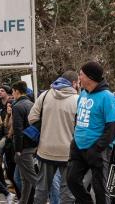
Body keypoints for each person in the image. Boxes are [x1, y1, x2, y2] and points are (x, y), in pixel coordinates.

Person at [67, 61, 115, 204]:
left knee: (100, 189)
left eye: (81, 75)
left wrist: (97, 148)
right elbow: (78, 118)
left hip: (98, 149)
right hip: (78, 147)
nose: (79, 78)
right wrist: (74, 139)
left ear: (90, 77)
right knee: (71, 180)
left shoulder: (107, 97)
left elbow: (114, 126)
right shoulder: (83, 93)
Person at [28, 71, 79, 204]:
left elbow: (31, 118)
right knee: (67, 191)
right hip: (68, 152)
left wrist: (46, 125)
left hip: (45, 149)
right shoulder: (78, 99)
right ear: (73, 83)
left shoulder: (45, 95)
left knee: (42, 189)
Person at [11, 80, 37, 204]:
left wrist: (17, 150)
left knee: (32, 177)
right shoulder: (32, 104)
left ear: (17, 91)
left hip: (24, 147)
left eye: (13, 92)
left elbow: (17, 129)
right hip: (32, 143)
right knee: (25, 179)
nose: (12, 94)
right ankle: (23, 201)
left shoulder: (17, 106)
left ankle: (46, 197)